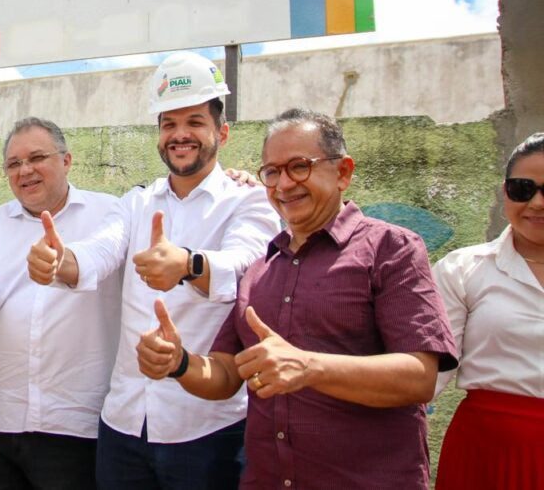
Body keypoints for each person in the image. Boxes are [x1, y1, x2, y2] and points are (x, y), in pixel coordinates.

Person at [138, 108, 458, 489]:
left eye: (299, 167)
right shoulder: (260, 270)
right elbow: (225, 374)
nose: (284, 184)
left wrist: (309, 367)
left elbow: (420, 377)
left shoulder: (391, 249)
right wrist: (179, 363)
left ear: (343, 173)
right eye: (271, 172)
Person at [27, 51, 280, 489]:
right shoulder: (137, 203)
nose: (180, 135)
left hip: (207, 429)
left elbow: (246, 266)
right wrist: (59, 261)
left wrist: (188, 264)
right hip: (124, 426)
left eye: (194, 122)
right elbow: (101, 250)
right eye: (169, 124)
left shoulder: (250, 201)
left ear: (222, 132)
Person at [0, 117, 122, 489]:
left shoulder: (110, 212)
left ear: (67, 160)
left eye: (37, 157)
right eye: (13, 163)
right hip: (2, 421)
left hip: (77, 424)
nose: (24, 170)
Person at [432, 132, 544, 489]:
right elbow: (426, 375)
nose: (537, 203)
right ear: (504, 190)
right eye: (523, 188)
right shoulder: (463, 269)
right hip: (488, 453)